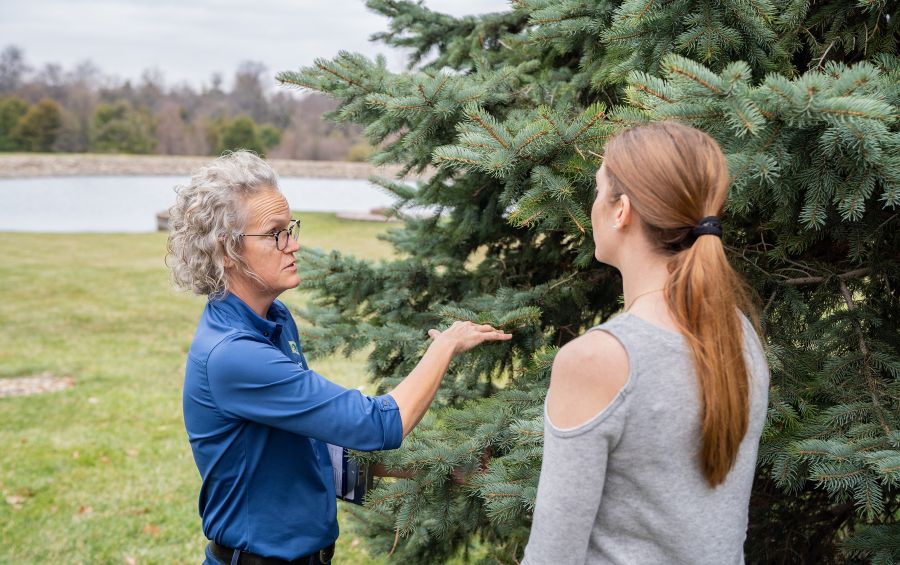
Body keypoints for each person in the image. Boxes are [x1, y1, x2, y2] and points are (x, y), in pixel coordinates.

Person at [165, 150, 511, 565]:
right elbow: (377, 424)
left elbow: (309, 444)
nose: (294, 244)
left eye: (290, 228)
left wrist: (426, 467)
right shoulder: (233, 356)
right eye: (275, 233)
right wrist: (444, 346)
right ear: (227, 251)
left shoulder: (273, 319)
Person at [522, 122, 770, 564]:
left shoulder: (599, 359)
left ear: (622, 210)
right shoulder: (737, 333)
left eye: (599, 191)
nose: (593, 204)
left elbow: (553, 556)